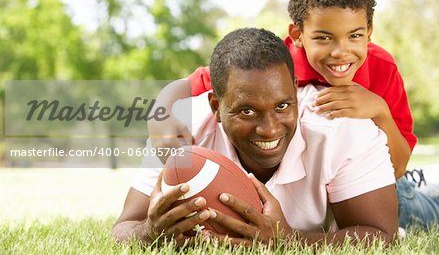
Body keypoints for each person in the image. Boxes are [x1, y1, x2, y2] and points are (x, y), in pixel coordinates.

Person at [146, 0, 439, 230]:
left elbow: (397, 166)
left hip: (383, 183)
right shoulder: (274, 67)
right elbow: (193, 84)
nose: (340, 51)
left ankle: (434, 190)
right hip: (331, 187)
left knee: (423, 211)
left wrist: (379, 110)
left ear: (369, 31)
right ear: (297, 35)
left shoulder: (381, 68)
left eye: (354, 35)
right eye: (323, 38)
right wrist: (159, 116)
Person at [113, 28, 398, 247]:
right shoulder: (178, 130)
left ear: (296, 89)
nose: (270, 129)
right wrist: (149, 233)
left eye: (283, 106)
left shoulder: (341, 129)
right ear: (216, 107)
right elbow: (124, 227)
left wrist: (287, 240)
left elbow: (383, 235)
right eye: (247, 111)